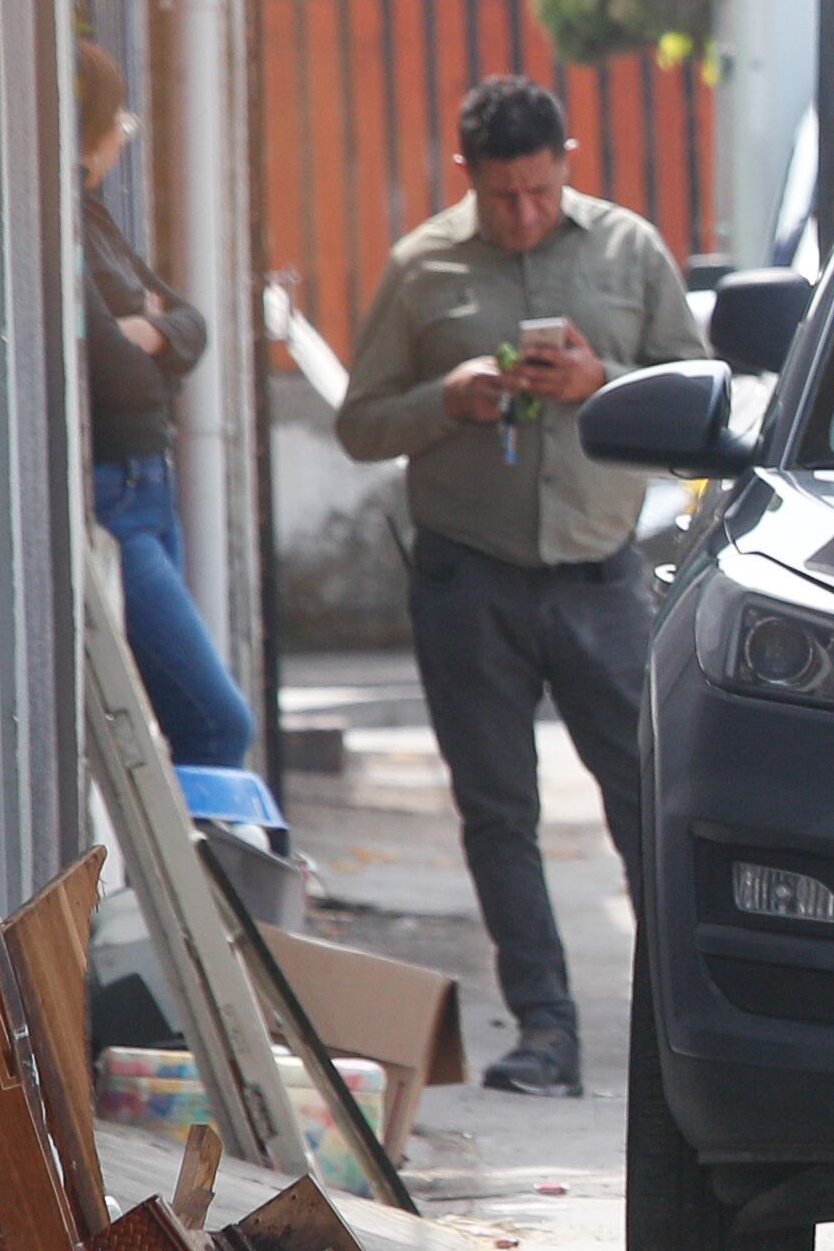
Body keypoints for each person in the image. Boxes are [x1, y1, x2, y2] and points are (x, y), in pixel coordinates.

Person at [336, 75, 708, 1097]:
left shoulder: (628, 248)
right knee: (499, 813)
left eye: (541, 191)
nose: (525, 213)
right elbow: (360, 423)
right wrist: (445, 398)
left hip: (600, 577)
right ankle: (545, 1029)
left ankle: (681, 1026)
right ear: (469, 175)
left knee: (650, 803)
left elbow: (698, 403)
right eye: (503, 196)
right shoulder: (422, 267)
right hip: (469, 577)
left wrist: (600, 383)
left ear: (567, 163)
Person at [78, 42, 256, 770]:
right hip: (112, 497)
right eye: (118, 122)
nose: (123, 138)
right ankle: (206, 848)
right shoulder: (55, 217)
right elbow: (114, 377)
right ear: (89, 130)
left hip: (147, 486)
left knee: (167, 711)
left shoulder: (94, 219)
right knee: (215, 722)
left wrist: (147, 333)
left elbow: (191, 322)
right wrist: (150, 345)